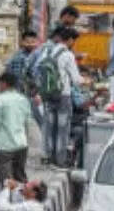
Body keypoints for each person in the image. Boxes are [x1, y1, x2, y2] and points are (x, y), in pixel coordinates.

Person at [38, 27, 82, 166]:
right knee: (63, 128)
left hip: (48, 94)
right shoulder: (68, 55)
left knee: (49, 127)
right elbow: (76, 80)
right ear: (69, 40)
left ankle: (48, 157)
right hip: (63, 95)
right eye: (73, 41)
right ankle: (60, 160)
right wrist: (86, 81)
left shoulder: (47, 51)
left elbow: (38, 69)